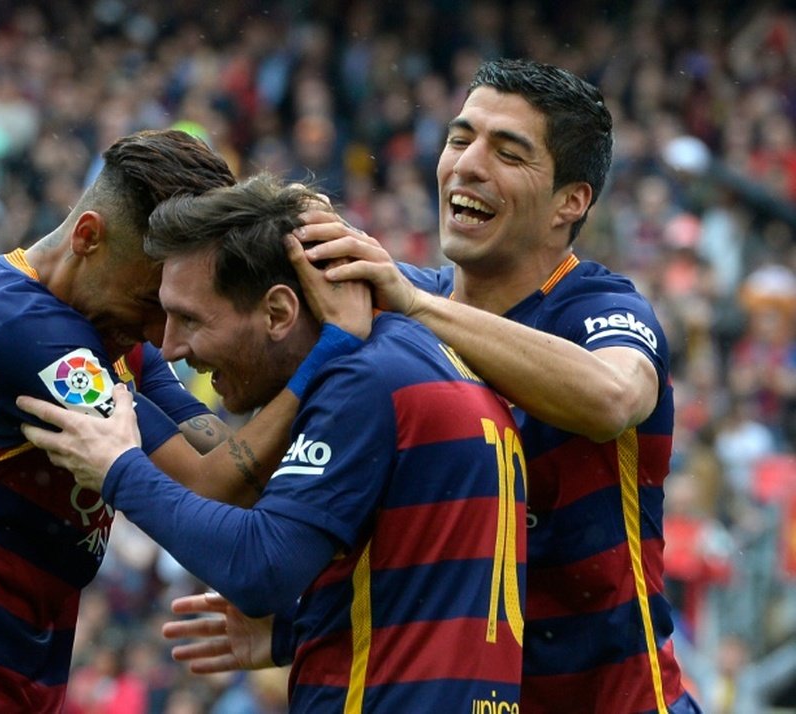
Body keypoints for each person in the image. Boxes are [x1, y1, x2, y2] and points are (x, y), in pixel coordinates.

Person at [164, 58, 702, 713]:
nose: (468, 164)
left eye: (508, 152)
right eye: (459, 138)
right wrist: (296, 626)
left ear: (571, 201)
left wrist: (415, 305)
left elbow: (614, 399)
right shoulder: (395, 304)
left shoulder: (594, 309)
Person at [0, 130, 354, 713]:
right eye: (152, 303)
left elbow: (229, 462)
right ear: (88, 237)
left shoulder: (108, 332)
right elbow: (213, 483)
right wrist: (335, 346)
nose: (165, 338)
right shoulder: (25, 332)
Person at [17, 174, 528, 713]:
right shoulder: (422, 353)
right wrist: (300, 630)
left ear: (279, 312)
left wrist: (119, 469)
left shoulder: (363, 380)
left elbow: (261, 569)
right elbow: (423, 573)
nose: (169, 348)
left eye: (189, 318)